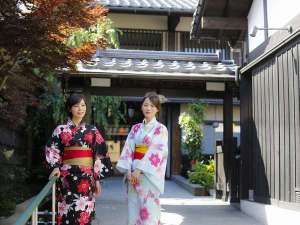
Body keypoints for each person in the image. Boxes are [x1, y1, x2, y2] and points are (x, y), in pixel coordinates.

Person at [45, 93, 112, 225]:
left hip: (87, 178)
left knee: (84, 214)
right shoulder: (60, 129)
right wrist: (55, 167)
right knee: (66, 212)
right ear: (70, 108)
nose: (80, 108)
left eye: (83, 105)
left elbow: (99, 154)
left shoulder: (92, 130)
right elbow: (52, 149)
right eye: (76, 105)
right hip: (66, 177)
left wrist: (97, 179)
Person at [116, 92, 169, 225]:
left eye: (152, 106)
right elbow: (128, 149)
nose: (148, 108)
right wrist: (128, 171)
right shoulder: (135, 129)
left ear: (157, 109)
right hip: (133, 177)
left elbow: (156, 151)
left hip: (148, 176)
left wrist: (139, 170)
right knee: (133, 211)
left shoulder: (161, 129)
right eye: (145, 105)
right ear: (141, 107)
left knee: (149, 212)